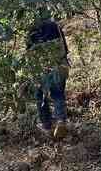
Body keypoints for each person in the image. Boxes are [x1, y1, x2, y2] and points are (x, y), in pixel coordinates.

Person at [25, 7, 70, 139]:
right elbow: (65, 49)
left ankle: (47, 126)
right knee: (58, 94)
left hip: (40, 69)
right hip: (58, 65)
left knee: (40, 97)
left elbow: (28, 54)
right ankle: (61, 120)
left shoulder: (32, 31)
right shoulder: (55, 26)